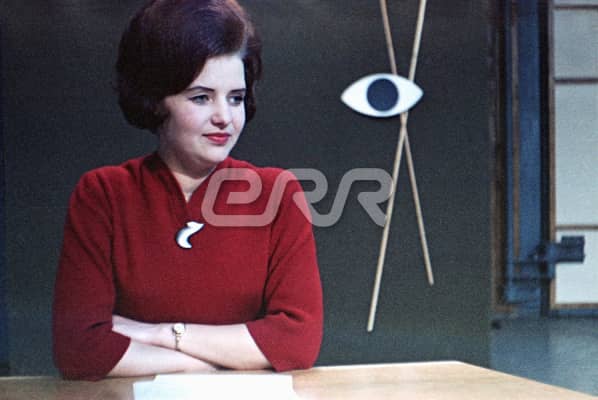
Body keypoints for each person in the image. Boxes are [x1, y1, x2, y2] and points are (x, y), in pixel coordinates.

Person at [52, 0, 323, 380]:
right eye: (201, 97)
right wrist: (222, 362)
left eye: (236, 98)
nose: (224, 117)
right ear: (155, 101)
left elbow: (296, 342)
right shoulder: (103, 194)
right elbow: (79, 350)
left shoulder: (278, 193)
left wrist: (161, 334)